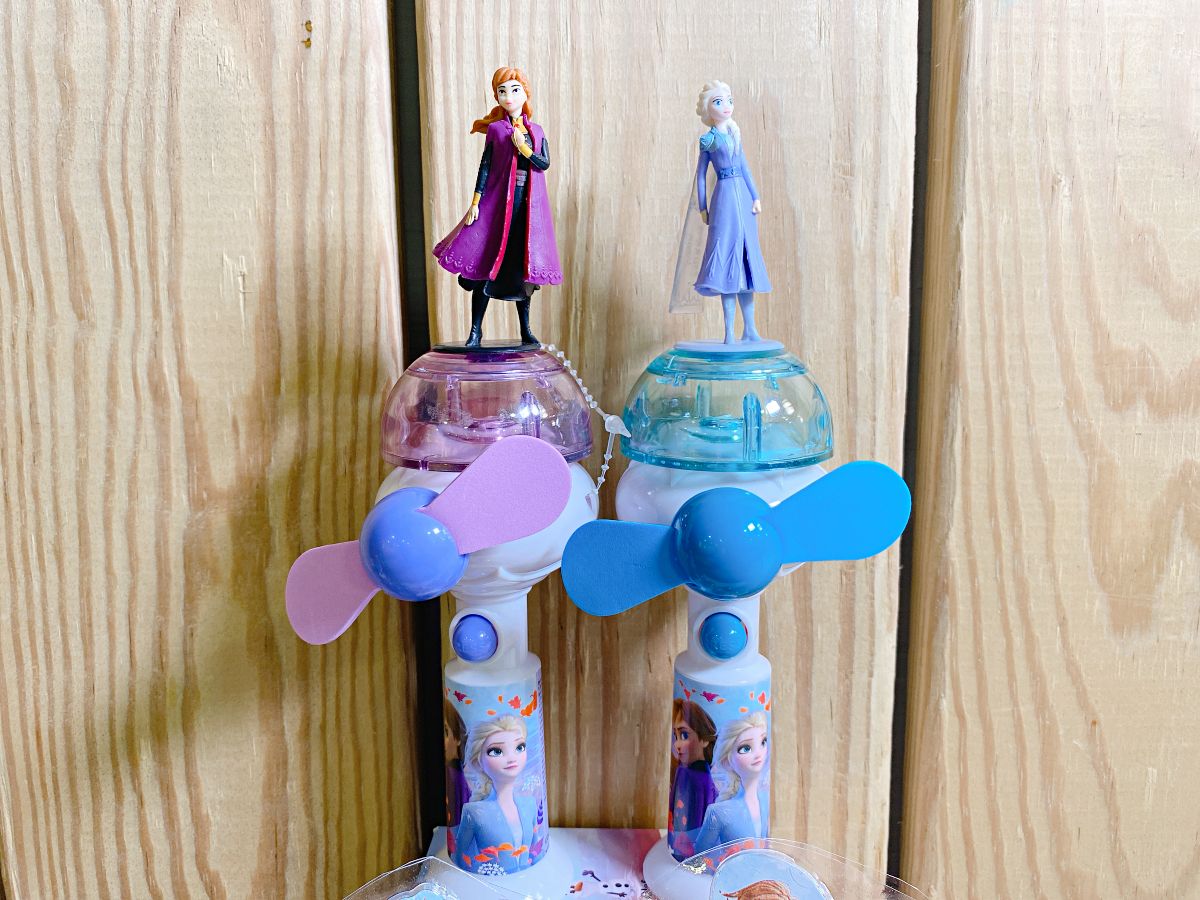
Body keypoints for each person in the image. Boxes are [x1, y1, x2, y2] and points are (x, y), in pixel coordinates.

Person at [432, 67, 562, 347]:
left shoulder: (537, 132)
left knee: (522, 272)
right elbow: (485, 166)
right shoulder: (495, 130)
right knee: (485, 264)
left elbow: (544, 163)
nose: (509, 97)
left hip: (526, 209)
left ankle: (526, 330)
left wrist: (524, 148)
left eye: (515, 90)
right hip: (498, 207)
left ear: (525, 93)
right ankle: (475, 331)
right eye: (502, 91)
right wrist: (475, 202)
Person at [692, 80, 772, 343]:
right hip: (724, 198)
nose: (726, 106)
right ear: (708, 108)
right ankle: (728, 332)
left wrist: (756, 195)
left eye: (729, 101)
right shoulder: (709, 139)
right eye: (718, 102)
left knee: (746, 262)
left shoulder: (736, 133)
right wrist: (702, 206)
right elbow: (701, 175)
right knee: (727, 261)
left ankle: (750, 329)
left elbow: (745, 167)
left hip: (744, 200)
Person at [453, 715, 540, 873]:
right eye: (496, 751)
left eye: (519, 747)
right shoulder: (474, 812)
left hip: (527, 879)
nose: (511, 758)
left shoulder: (529, 805)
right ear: (478, 762)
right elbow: (461, 857)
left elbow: (535, 850)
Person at [695, 711, 770, 852]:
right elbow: (699, 857)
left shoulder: (766, 800)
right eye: (746, 748)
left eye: (763, 742)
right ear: (727, 762)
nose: (758, 753)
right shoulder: (718, 812)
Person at [668, 698, 718, 859]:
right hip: (679, 852)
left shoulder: (701, 779)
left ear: (704, 739)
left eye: (684, 735)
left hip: (691, 857)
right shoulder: (684, 772)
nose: (677, 745)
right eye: (676, 736)